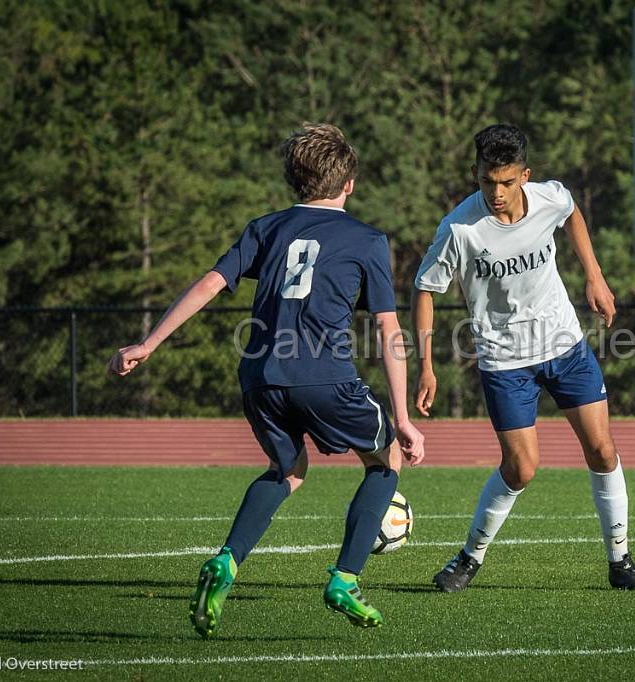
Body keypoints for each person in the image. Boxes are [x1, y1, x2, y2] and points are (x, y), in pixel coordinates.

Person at [108, 123, 425, 635]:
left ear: (295, 181)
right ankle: (345, 578)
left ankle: (228, 561)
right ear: (348, 184)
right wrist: (404, 418)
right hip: (323, 376)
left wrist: (148, 343)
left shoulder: (264, 227)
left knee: (288, 469)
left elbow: (211, 282)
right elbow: (388, 328)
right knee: (386, 459)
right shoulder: (367, 240)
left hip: (258, 375)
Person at [412, 124, 635, 593]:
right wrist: (426, 365)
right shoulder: (459, 228)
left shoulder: (548, 198)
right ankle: (469, 558)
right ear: (476, 174)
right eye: (487, 181)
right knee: (521, 467)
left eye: (506, 182)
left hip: (564, 345)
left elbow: (573, 215)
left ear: (525, 175)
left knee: (603, 450)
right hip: (504, 361)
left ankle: (620, 561)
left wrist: (595, 276)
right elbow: (425, 288)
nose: (497, 193)